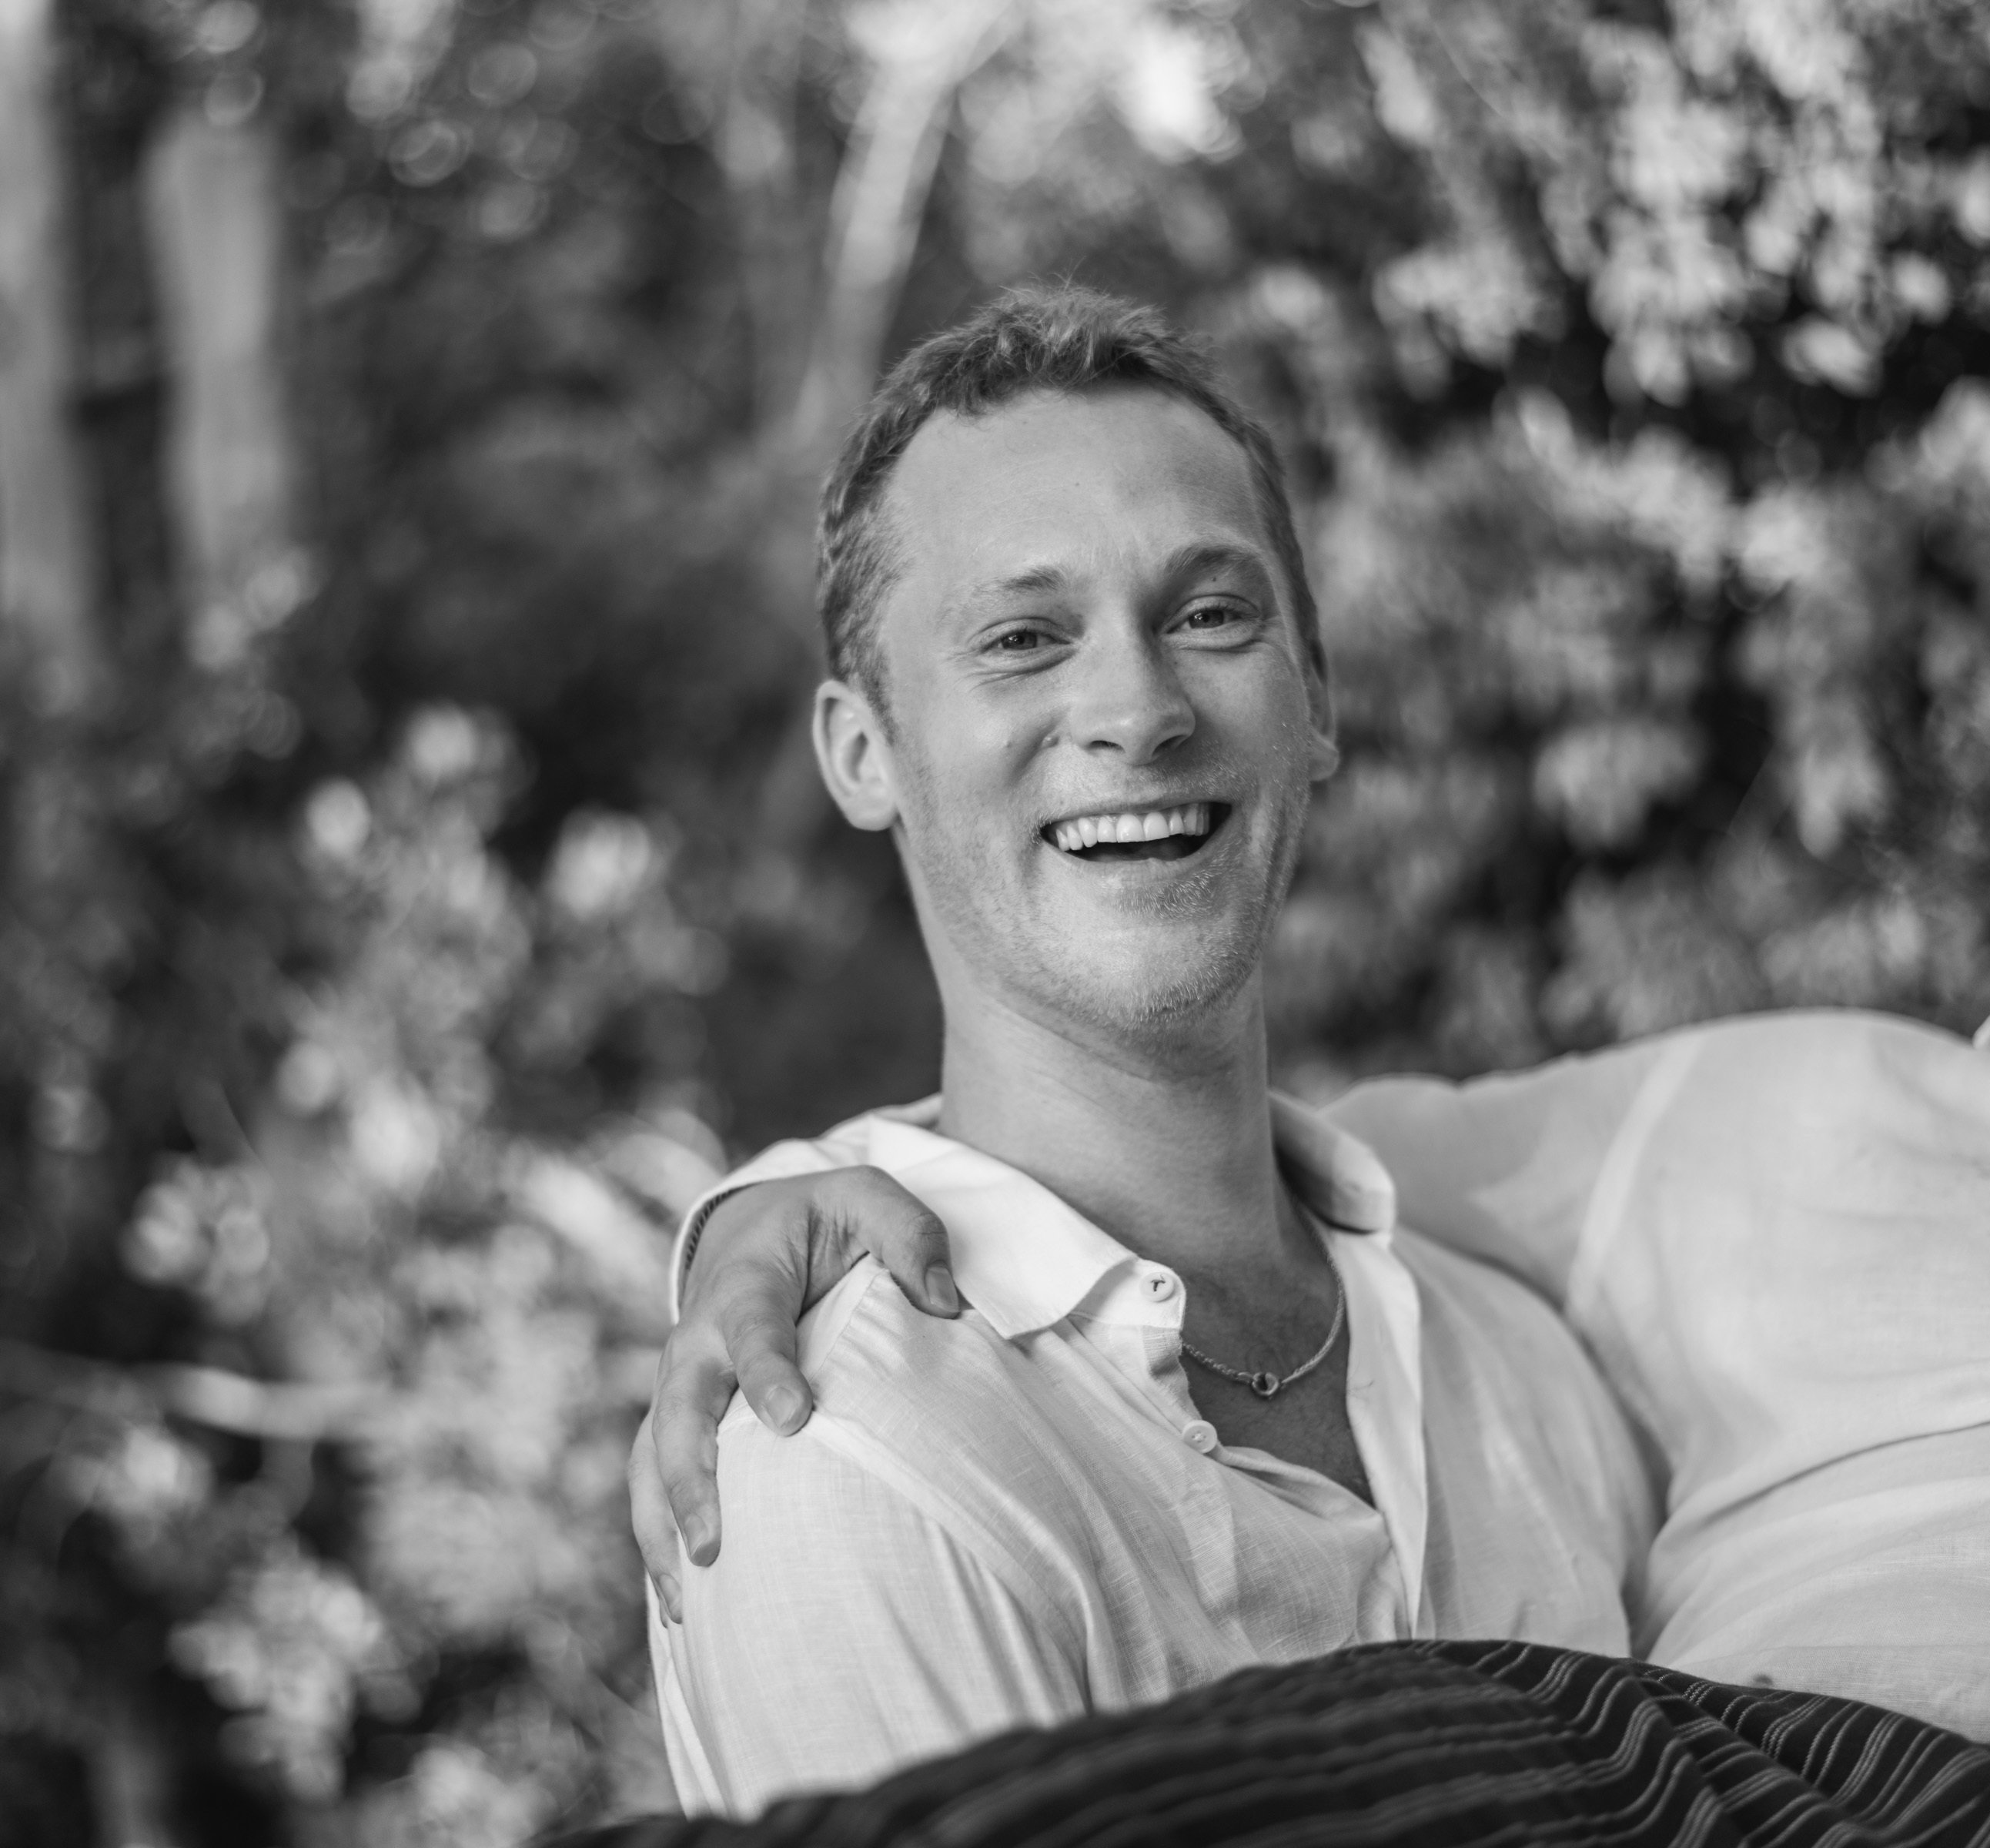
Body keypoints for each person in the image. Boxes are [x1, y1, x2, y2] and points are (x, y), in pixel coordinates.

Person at [635, 402, 1990, 1848]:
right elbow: (1168, 1173)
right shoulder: (1788, 1113)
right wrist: (782, 1203)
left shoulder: (1492, 1356)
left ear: (1314, 700)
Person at [645, 284, 1657, 1816]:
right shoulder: (853, 1447)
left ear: (1317, 701)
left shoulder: (1528, 1364)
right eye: (1022, 639)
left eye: (1208, 615)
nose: (1136, 707)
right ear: (863, 753)